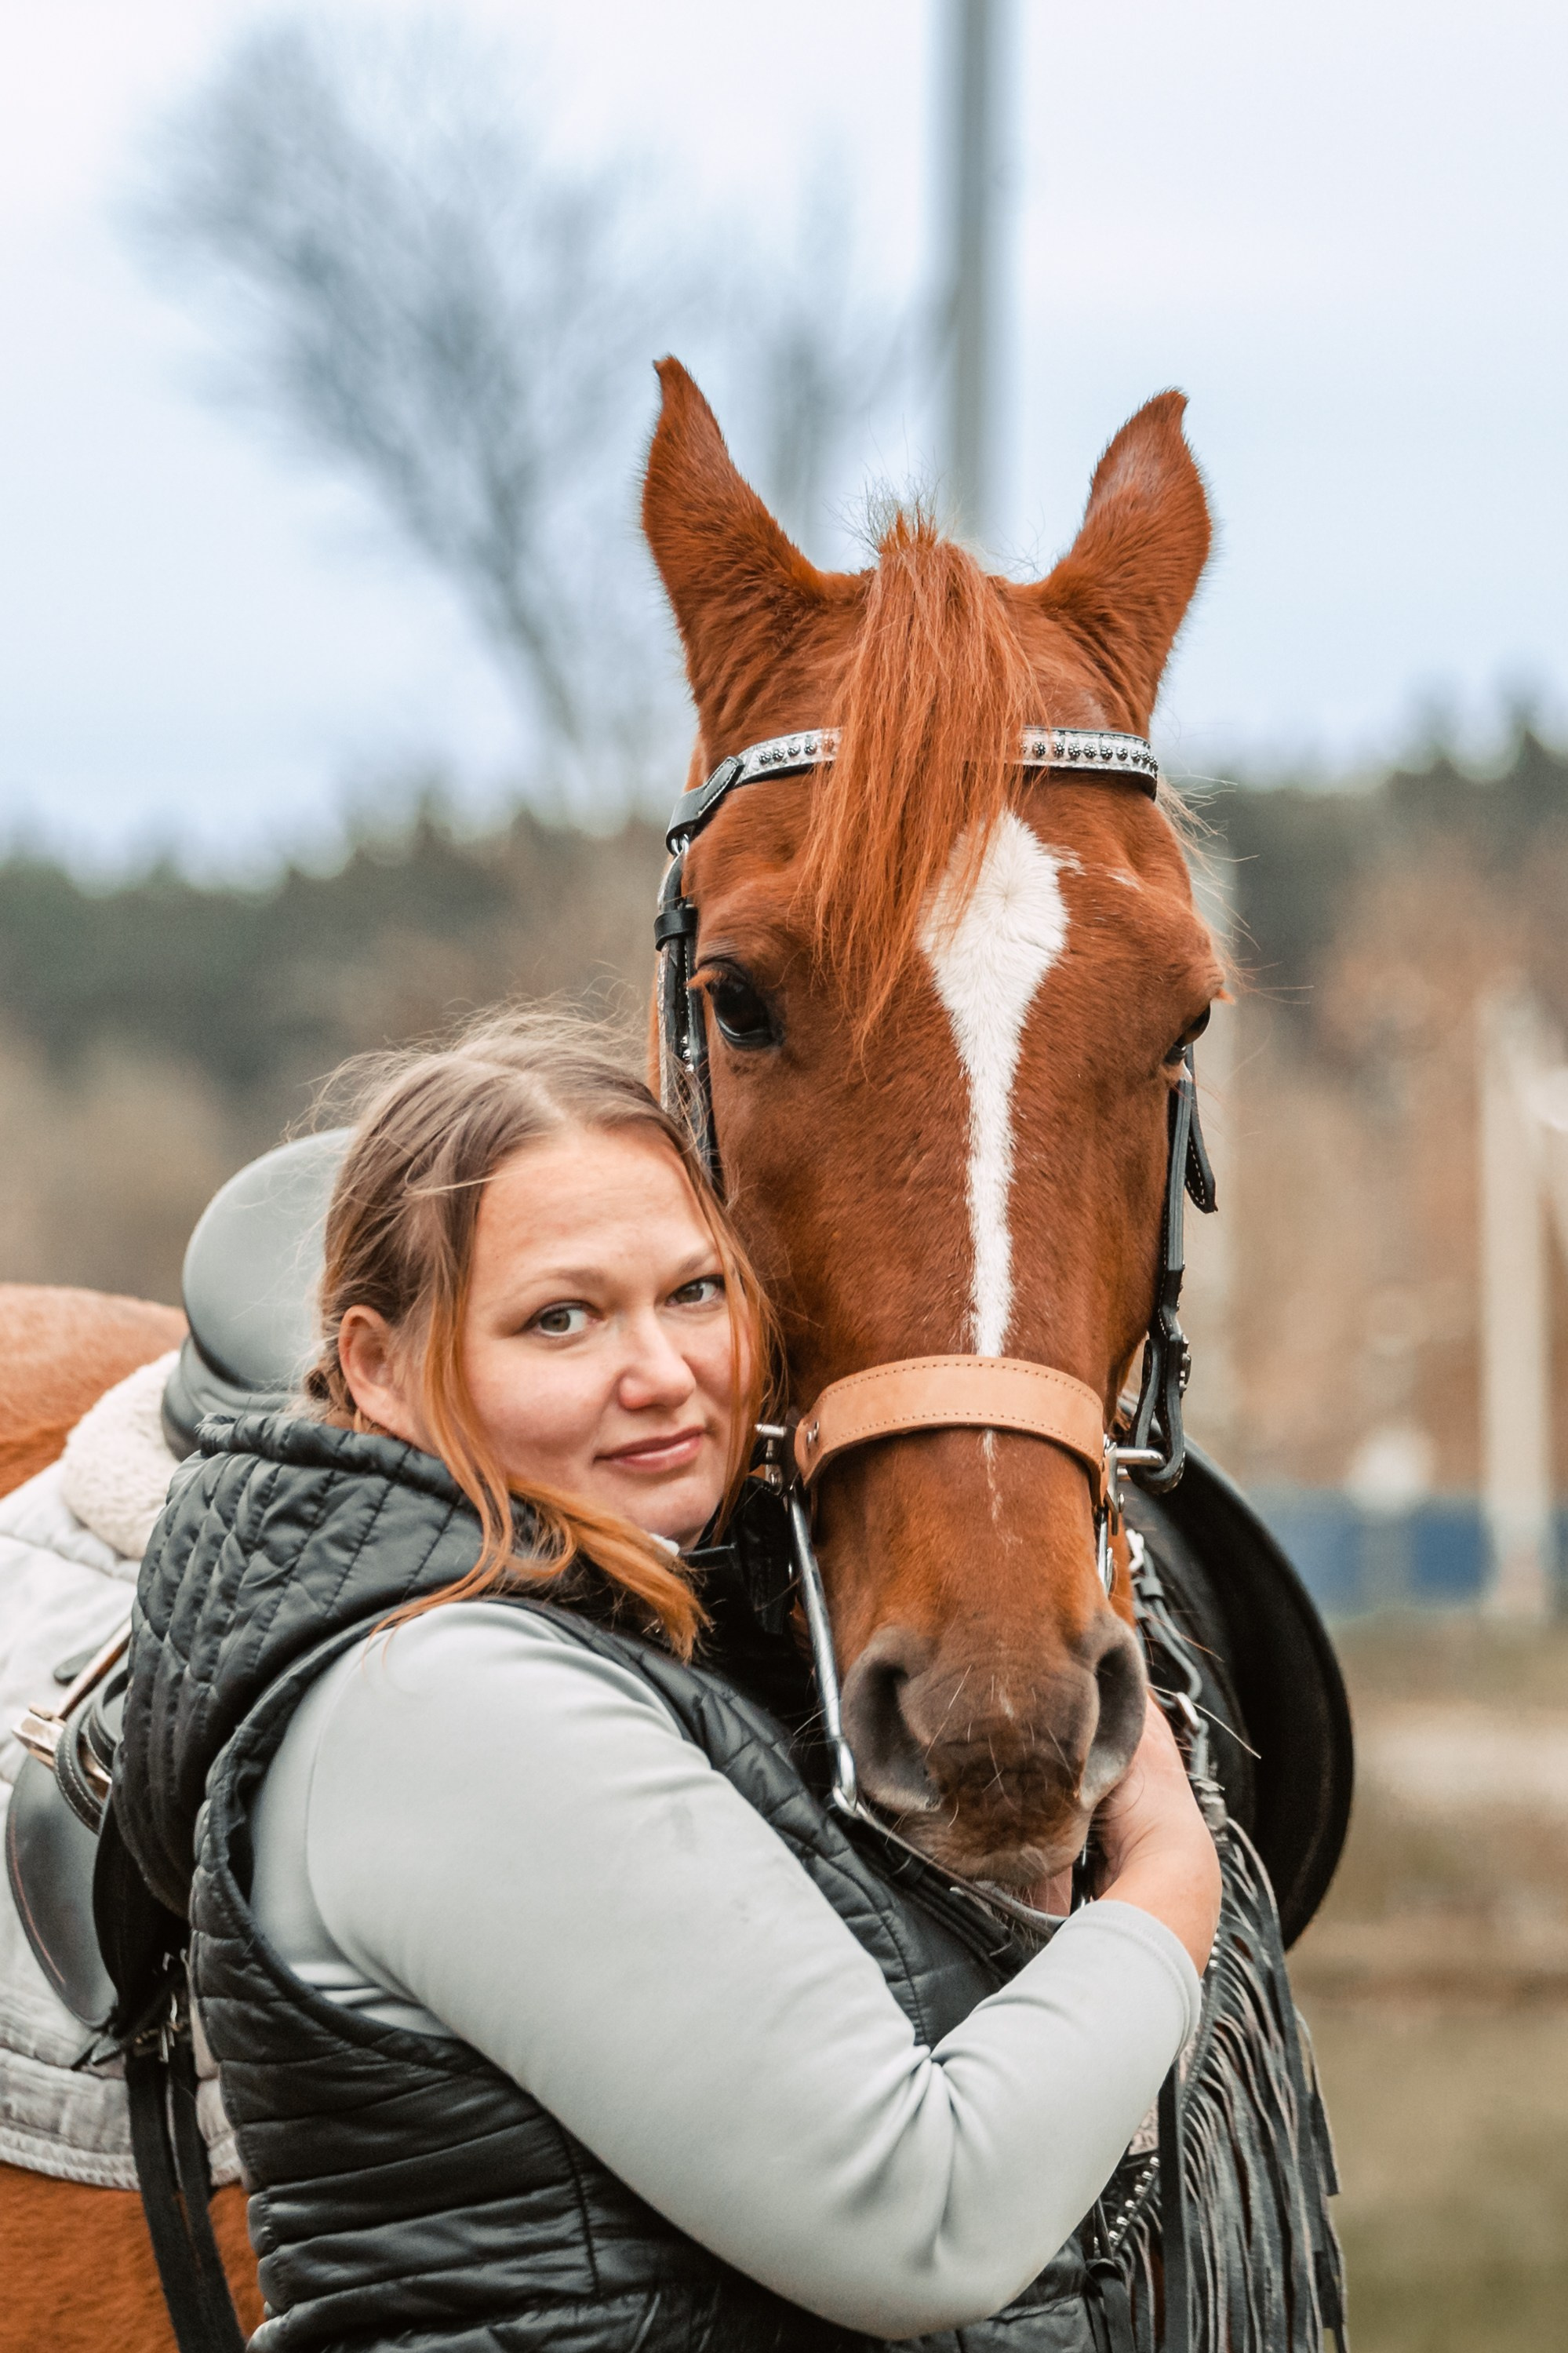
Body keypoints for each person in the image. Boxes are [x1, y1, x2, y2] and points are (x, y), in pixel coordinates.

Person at [117, 1012, 1221, 2353]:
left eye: (696, 1292)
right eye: (561, 1319)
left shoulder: (575, 1640)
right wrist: (1165, 1876)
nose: (663, 1377)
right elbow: (925, 2216)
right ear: (380, 1368)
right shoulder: (452, 1705)